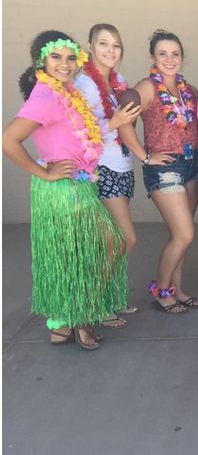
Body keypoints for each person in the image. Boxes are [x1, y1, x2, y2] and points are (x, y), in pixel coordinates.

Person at [3, 30, 134, 349]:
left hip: (80, 184)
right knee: (94, 248)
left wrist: (112, 124)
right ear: (41, 60)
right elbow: (8, 140)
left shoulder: (68, 93)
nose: (64, 64)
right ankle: (81, 320)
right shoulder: (45, 96)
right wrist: (43, 172)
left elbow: (81, 136)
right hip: (63, 189)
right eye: (56, 57)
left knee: (75, 254)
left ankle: (61, 323)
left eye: (70, 57)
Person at [118, 29, 198, 314]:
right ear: (153, 57)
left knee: (180, 236)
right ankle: (162, 290)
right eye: (162, 53)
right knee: (184, 234)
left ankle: (177, 290)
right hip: (165, 169)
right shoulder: (147, 87)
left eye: (175, 53)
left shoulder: (188, 90)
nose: (169, 59)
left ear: (182, 57)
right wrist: (144, 156)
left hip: (191, 165)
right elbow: (122, 122)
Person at [75, 23, 141, 328]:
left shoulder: (119, 80)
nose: (110, 50)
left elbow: (126, 123)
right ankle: (96, 302)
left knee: (115, 241)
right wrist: (113, 122)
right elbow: (79, 134)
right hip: (103, 169)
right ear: (90, 46)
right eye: (103, 44)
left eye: (115, 45)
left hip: (123, 165)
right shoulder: (85, 84)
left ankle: (112, 298)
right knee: (123, 240)